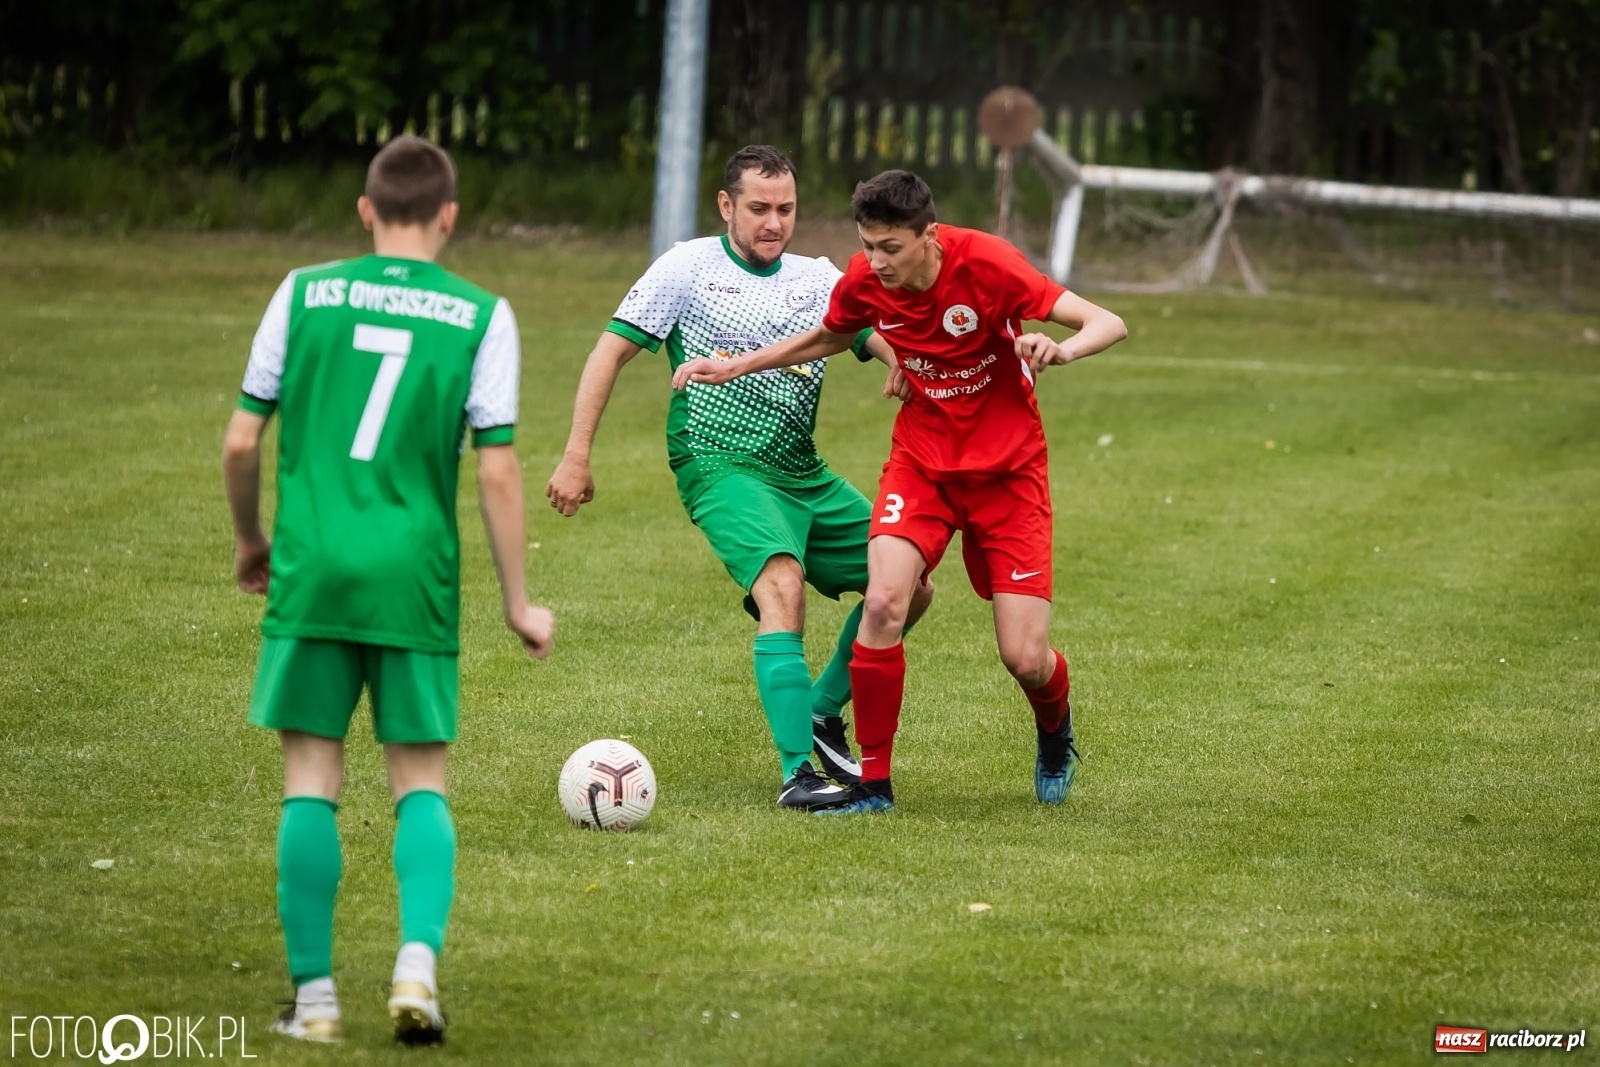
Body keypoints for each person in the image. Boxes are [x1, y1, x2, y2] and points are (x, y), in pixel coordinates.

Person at [221, 136, 555, 1044]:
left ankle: (317, 1000)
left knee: (311, 778)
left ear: (365, 211)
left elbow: (243, 442)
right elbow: (495, 470)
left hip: (315, 565)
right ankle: (415, 966)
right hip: (414, 576)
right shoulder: (484, 314)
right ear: (449, 216)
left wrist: (253, 539)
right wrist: (518, 603)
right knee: (419, 781)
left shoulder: (304, 291)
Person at [673, 169, 1126, 815]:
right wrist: (736, 363)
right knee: (886, 600)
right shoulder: (864, 280)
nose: (877, 262)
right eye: (869, 245)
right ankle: (874, 786)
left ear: (929, 237)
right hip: (922, 464)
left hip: (1008, 474)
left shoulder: (988, 264)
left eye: (891, 247)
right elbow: (831, 333)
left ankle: (1055, 731)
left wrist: (1063, 348)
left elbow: (1108, 321)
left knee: (1024, 657)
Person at [546, 145, 932, 811]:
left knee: (911, 585)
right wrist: (576, 455)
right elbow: (609, 351)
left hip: (800, 471)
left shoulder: (817, 278)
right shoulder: (686, 268)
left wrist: (901, 359)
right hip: (719, 463)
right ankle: (796, 772)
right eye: (759, 208)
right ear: (727, 205)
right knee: (782, 583)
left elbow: (869, 334)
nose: (774, 221)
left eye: (785, 208)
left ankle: (819, 708)